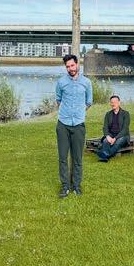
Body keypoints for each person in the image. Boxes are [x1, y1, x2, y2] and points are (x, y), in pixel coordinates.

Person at [55, 54, 93, 198]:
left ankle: (76, 186)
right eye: (67, 66)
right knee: (63, 158)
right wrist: (66, 112)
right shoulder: (61, 82)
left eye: (72, 65)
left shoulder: (86, 83)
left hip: (78, 125)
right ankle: (65, 186)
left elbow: (89, 102)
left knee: (77, 158)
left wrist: (79, 112)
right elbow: (58, 100)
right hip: (63, 125)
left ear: (77, 64)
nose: (70, 68)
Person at [96, 95, 130, 162]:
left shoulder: (125, 114)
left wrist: (115, 138)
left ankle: (104, 155)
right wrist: (107, 136)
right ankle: (105, 156)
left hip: (122, 136)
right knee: (105, 141)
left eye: (115, 102)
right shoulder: (108, 114)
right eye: (111, 102)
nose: (113, 104)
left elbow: (125, 130)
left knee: (117, 142)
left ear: (119, 103)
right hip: (111, 134)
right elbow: (105, 127)